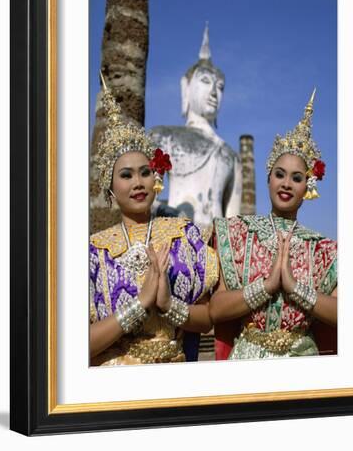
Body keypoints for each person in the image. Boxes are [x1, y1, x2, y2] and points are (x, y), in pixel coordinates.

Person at [89, 74, 218, 366]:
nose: (138, 182)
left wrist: (167, 305)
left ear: (156, 177)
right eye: (126, 175)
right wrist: (140, 305)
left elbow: (209, 317)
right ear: (110, 188)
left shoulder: (184, 236)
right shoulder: (94, 251)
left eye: (145, 172)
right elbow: (75, 345)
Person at [210, 90, 337, 360]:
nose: (286, 184)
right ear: (269, 178)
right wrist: (266, 287)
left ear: (308, 187)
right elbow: (216, 310)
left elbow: (346, 315)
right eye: (280, 175)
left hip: (303, 361)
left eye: (297, 178)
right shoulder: (236, 233)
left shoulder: (324, 249)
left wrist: (295, 289)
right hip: (248, 359)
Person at [149, 24, 242, 227]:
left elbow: (233, 220)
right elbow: (141, 197)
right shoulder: (164, 137)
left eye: (220, 87)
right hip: (171, 238)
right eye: (206, 81)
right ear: (186, 86)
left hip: (214, 246)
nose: (214, 92)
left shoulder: (230, 155)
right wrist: (162, 210)